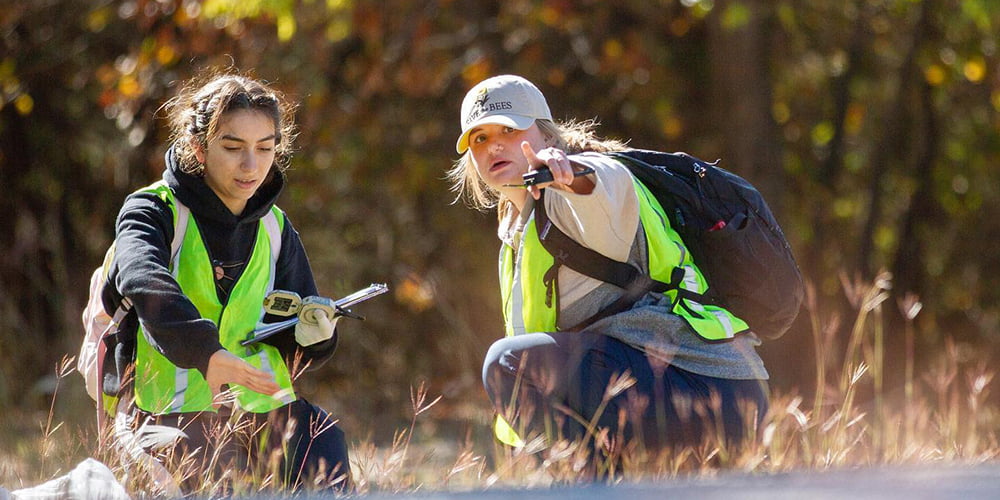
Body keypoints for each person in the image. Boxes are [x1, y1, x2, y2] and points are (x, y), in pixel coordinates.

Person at [448, 75, 770, 464]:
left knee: (506, 362)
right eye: (478, 139)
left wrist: (571, 174)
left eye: (510, 129)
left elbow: (601, 188)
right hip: (664, 389)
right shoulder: (516, 233)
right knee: (526, 387)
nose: (494, 144)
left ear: (547, 136)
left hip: (708, 387)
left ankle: (596, 487)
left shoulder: (577, 188)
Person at [101, 71, 351, 493]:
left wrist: (315, 336)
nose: (251, 165)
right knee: (216, 475)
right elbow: (144, 280)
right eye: (233, 147)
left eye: (265, 148)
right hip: (168, 415)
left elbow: (295, 340)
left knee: (325, 440)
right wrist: (207, 353)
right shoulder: (151, 209)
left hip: (266, 414)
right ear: (198, 147)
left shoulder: (276, 227)